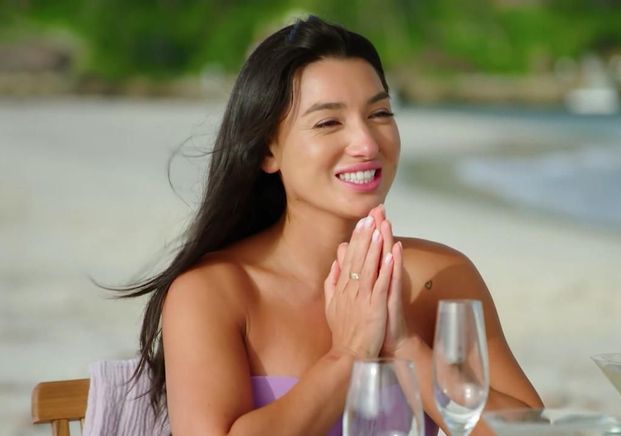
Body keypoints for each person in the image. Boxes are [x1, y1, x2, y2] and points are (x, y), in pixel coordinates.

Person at [123, 15, 542, 435]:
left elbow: (532, 431)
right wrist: (347, 356)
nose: (366, 143)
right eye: (328, 122)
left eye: (379, 113)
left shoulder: (443, 277)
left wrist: (406, 347)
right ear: (268, 150)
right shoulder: (215, 292)